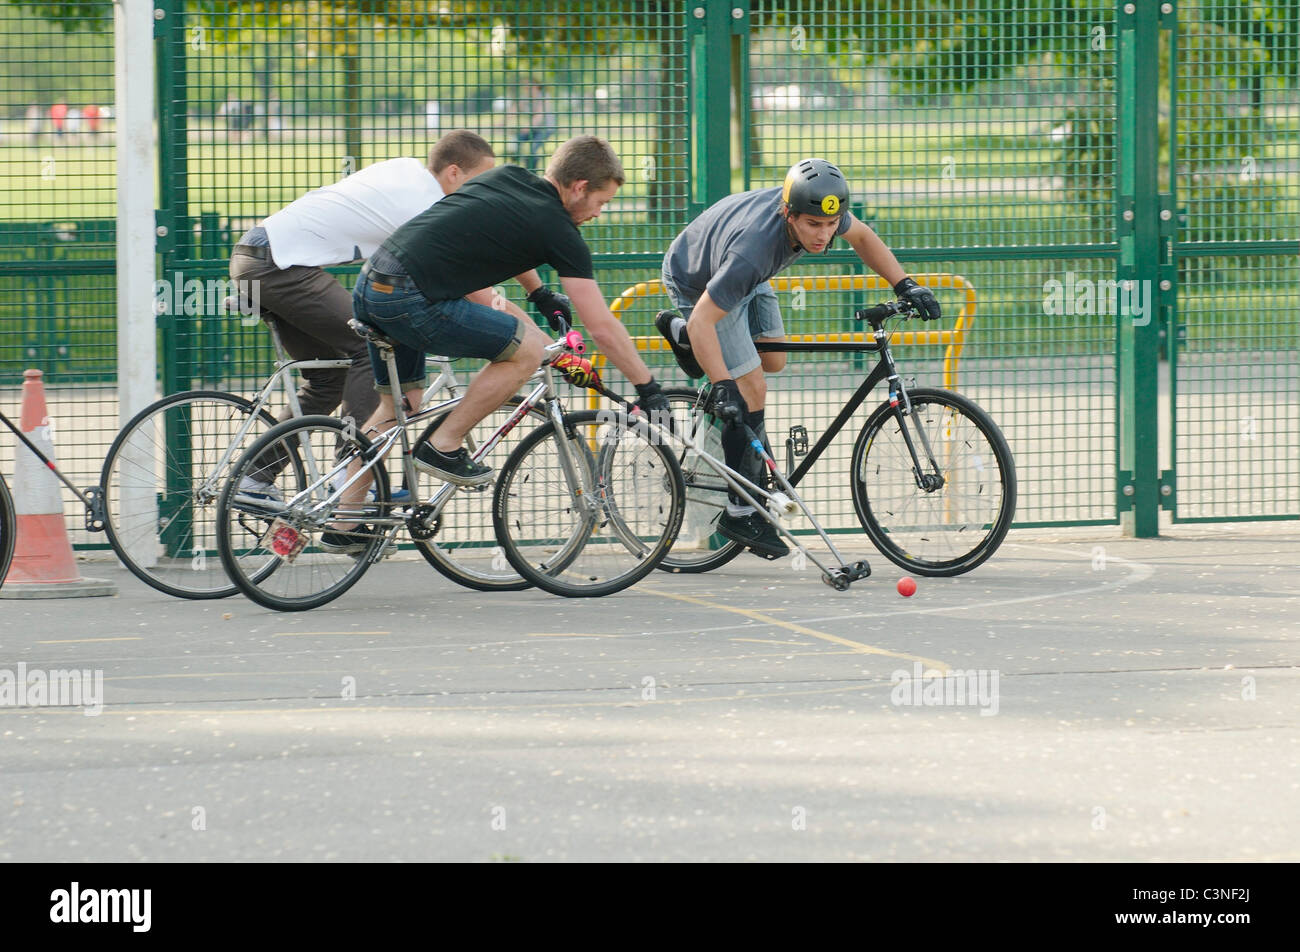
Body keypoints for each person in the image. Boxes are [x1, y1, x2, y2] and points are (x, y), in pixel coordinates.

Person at [339, 135, 672, 547]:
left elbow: (502, 231)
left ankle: (342, 520)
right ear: (580, 187)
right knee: (528, 351)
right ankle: (443, 444)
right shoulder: (560, 229)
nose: (599, 214)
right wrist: (646, 386)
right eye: (601, 203)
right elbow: (601, 325)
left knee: (399, 407)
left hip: (372, 286)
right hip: (410, 299)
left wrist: (537, 292)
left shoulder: (509, 177)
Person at [654, 157, 942, 559]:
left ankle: (690, 345)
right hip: (697, 277)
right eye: (812, 225)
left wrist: (905, 284)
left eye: (829, 225)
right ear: (789, 214)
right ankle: (739, 511)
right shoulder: (753, 251)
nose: (823, 235)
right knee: (749, 387)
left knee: (772, 361)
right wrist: (723, 385)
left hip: (740, 271)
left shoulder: (818, 207)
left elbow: (862, 237)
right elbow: (705, 317)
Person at [229, 130, 516, 509]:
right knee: (368, 346)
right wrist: (520, 328)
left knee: (329, 378)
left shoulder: (405, 172)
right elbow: (467, 283)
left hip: (258, 259)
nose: (481, 195)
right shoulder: (427, 205)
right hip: (278, 265)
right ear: (453, 173)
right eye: (479, 181)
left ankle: (253, 479)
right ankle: (348, 482)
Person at [513, 81, 556, 172]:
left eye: (529, 88)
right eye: (525, 88)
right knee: (516, 140)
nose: (527, 91)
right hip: (533, 129)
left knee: (533, 149)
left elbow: (539, 116)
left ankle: (532, 172)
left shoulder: (544, 97)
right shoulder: (525, 98)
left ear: (536, 87)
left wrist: (529, 126)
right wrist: (501, 122)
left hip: (545, 128)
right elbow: (513, 110)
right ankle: (516, 160)